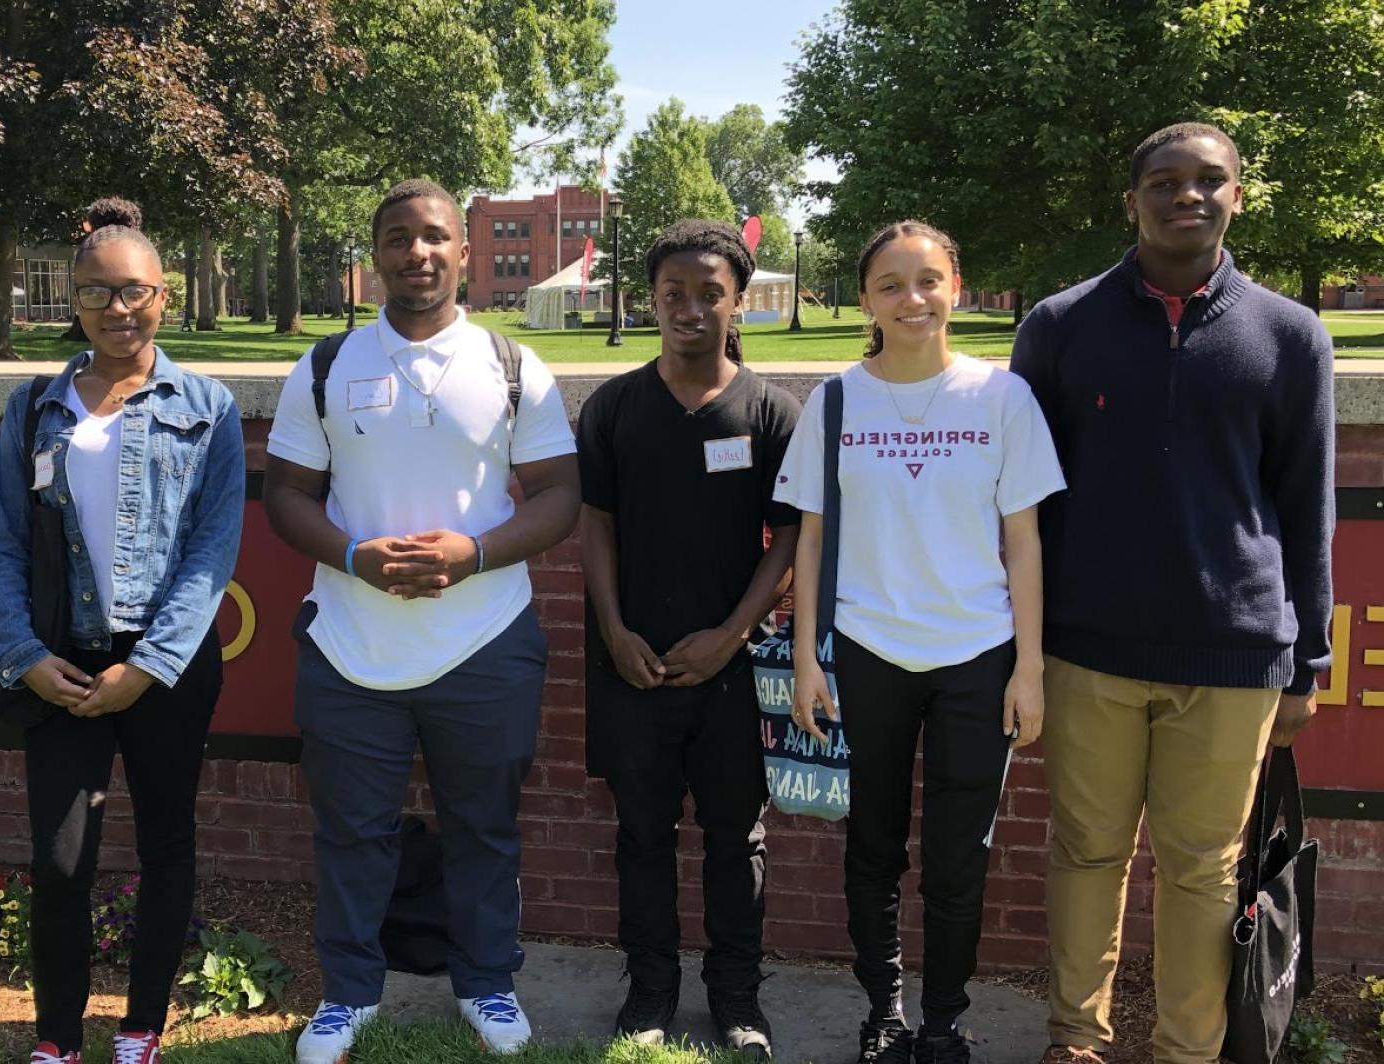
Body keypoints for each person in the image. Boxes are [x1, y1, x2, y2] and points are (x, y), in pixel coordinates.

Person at [1010, 123, 1334, 1064]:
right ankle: (1076, 1042)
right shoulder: (1060, 325)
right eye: (1164, 181)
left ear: (1238, 195)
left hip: (1232, 655)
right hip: (1088, 648)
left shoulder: (1289, 334)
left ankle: (1187, 1053)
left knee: (1203, 872)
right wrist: (1024, 647)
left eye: (1208, 180)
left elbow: (1306, 508)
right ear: (1132, 201)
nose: (1186, 195)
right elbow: (1021, 501)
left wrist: (1306, 661)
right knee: (1086, 855)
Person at [263, 179, 580, 1063]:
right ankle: (348, 994)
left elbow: (560, 495)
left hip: (484, 642)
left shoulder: (515, 365)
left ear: (465, 252)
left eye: (435, 236)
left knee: (483, 828)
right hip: (349, 641)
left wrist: (473, 554)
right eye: (398, 238)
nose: (418, 253)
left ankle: (486, 983)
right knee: (351, 833)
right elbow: (285, 494)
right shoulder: (326, 366)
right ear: (377, 255)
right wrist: (352, 555)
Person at [776, 221, 1064, 1064]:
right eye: (892, 284)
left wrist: (1031, 668)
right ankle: (884, 1015)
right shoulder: (833, 401)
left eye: (928, 280)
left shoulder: (1002, 398)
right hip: (866, 654)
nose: (913, 298)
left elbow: (1025, 542)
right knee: (871, 845)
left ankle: (942, 1022)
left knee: (955, 859)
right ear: (864, 297)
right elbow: (811, 541)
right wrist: (804, 658)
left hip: (979, 657)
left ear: (956, 285)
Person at [0, 198, 244, 1064]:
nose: (116, 309)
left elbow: (213, 550)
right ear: (72, 298)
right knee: (61, 859)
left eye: (133, 292)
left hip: (166, 668)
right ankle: (57, 1035)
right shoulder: (32, 409)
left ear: (164, 295)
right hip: (58, 660)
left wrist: (152, 664)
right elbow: (3, 540)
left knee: (168, 842)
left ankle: (141, 1026)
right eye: (96, 292)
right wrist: (22, 656)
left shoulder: (209, 407)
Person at [577, 219, 800, 1060]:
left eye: (711, 293)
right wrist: (613, 626)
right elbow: (595, 523)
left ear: (737, 301)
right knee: (642, 835)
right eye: (674, 294)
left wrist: (733, 634)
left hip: (729, 671)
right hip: (631, 663)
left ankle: (737, 1000)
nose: (691, 309)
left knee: (736, 838)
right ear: (651, 302)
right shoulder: (614, 407)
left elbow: (789, 538)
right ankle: (650, 994)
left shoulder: (772, 412)